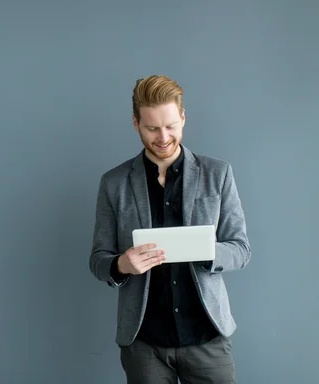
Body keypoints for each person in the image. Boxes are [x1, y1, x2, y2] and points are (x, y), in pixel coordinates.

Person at [89, 75, 251, 383]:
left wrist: (208, 251)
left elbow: (241, 250)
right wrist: (122, 264)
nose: (163, 137)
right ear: (135, 123)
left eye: (171, 126)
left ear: (183, 117)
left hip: (207, 336)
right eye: (152, 128)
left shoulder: (217, 174)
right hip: (144, 342)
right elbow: (98, 259)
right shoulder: (114, 183)